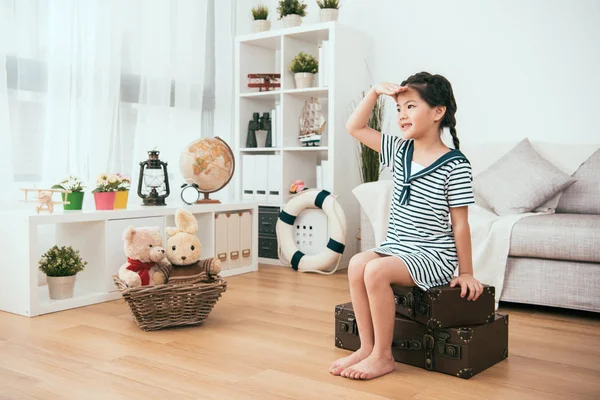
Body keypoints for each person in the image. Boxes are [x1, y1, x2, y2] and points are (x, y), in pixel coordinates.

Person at [329, 72, 484, 380]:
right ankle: (366, 346)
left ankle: (384, 357)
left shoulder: (455, 164)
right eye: (399, 109)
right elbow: (354, 127)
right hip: (399, 246)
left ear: (438, 112)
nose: (401, 115)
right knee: (358, 263)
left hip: (433, 254)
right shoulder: (400, 151)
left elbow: (461, 225)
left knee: (375, 271)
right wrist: (374, 92)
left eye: (410, 106)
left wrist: (466, 272)